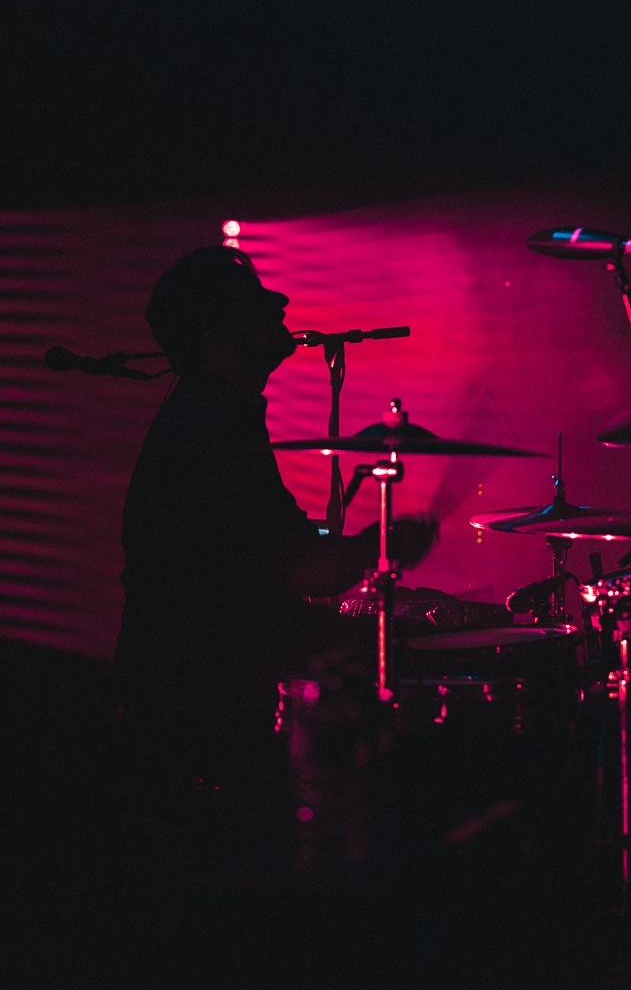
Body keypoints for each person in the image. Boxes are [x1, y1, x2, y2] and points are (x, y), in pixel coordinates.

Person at [114, 245, 437, 851]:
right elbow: (307, 569)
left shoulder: (214, 416)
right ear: (215, 336)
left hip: (191, 686)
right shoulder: (211, 429)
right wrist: (384, 543)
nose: (279, 302)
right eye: (254, 301)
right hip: (199, 707)